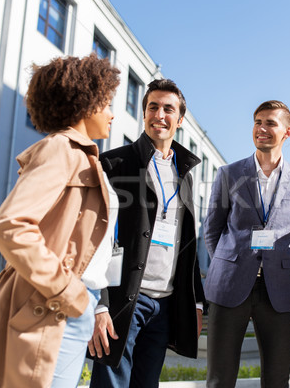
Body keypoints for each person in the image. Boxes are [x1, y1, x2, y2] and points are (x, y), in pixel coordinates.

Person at [0, 54, 120, 388]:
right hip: (55, 306)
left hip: (73, 304)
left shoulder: (81, 154)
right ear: (86, 101)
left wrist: (88, 301)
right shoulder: (61, 149)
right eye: (107, 102)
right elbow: (10, 225)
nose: (111, 113)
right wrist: (68, 290)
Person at [88, 79, 205, 388]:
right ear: (144, 114)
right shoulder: (114, 164)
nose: (160, 115)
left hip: (165, 305)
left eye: (169, 109)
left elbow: (189, 246)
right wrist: (99, 304)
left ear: (180, 121)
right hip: (123, 299)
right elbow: (93, 238)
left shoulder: (186, 177)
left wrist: (196, 302)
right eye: (153, 107)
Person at [204, 100, 290, 387]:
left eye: (270, 123)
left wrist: (279, 267)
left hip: (277, 292)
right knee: (219, 378)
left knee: (278, 379)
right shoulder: (228, 173)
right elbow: (212, 229)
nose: (261, 128)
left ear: (287, 132)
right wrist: (231, 263)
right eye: (257, 122)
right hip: (229, 287)